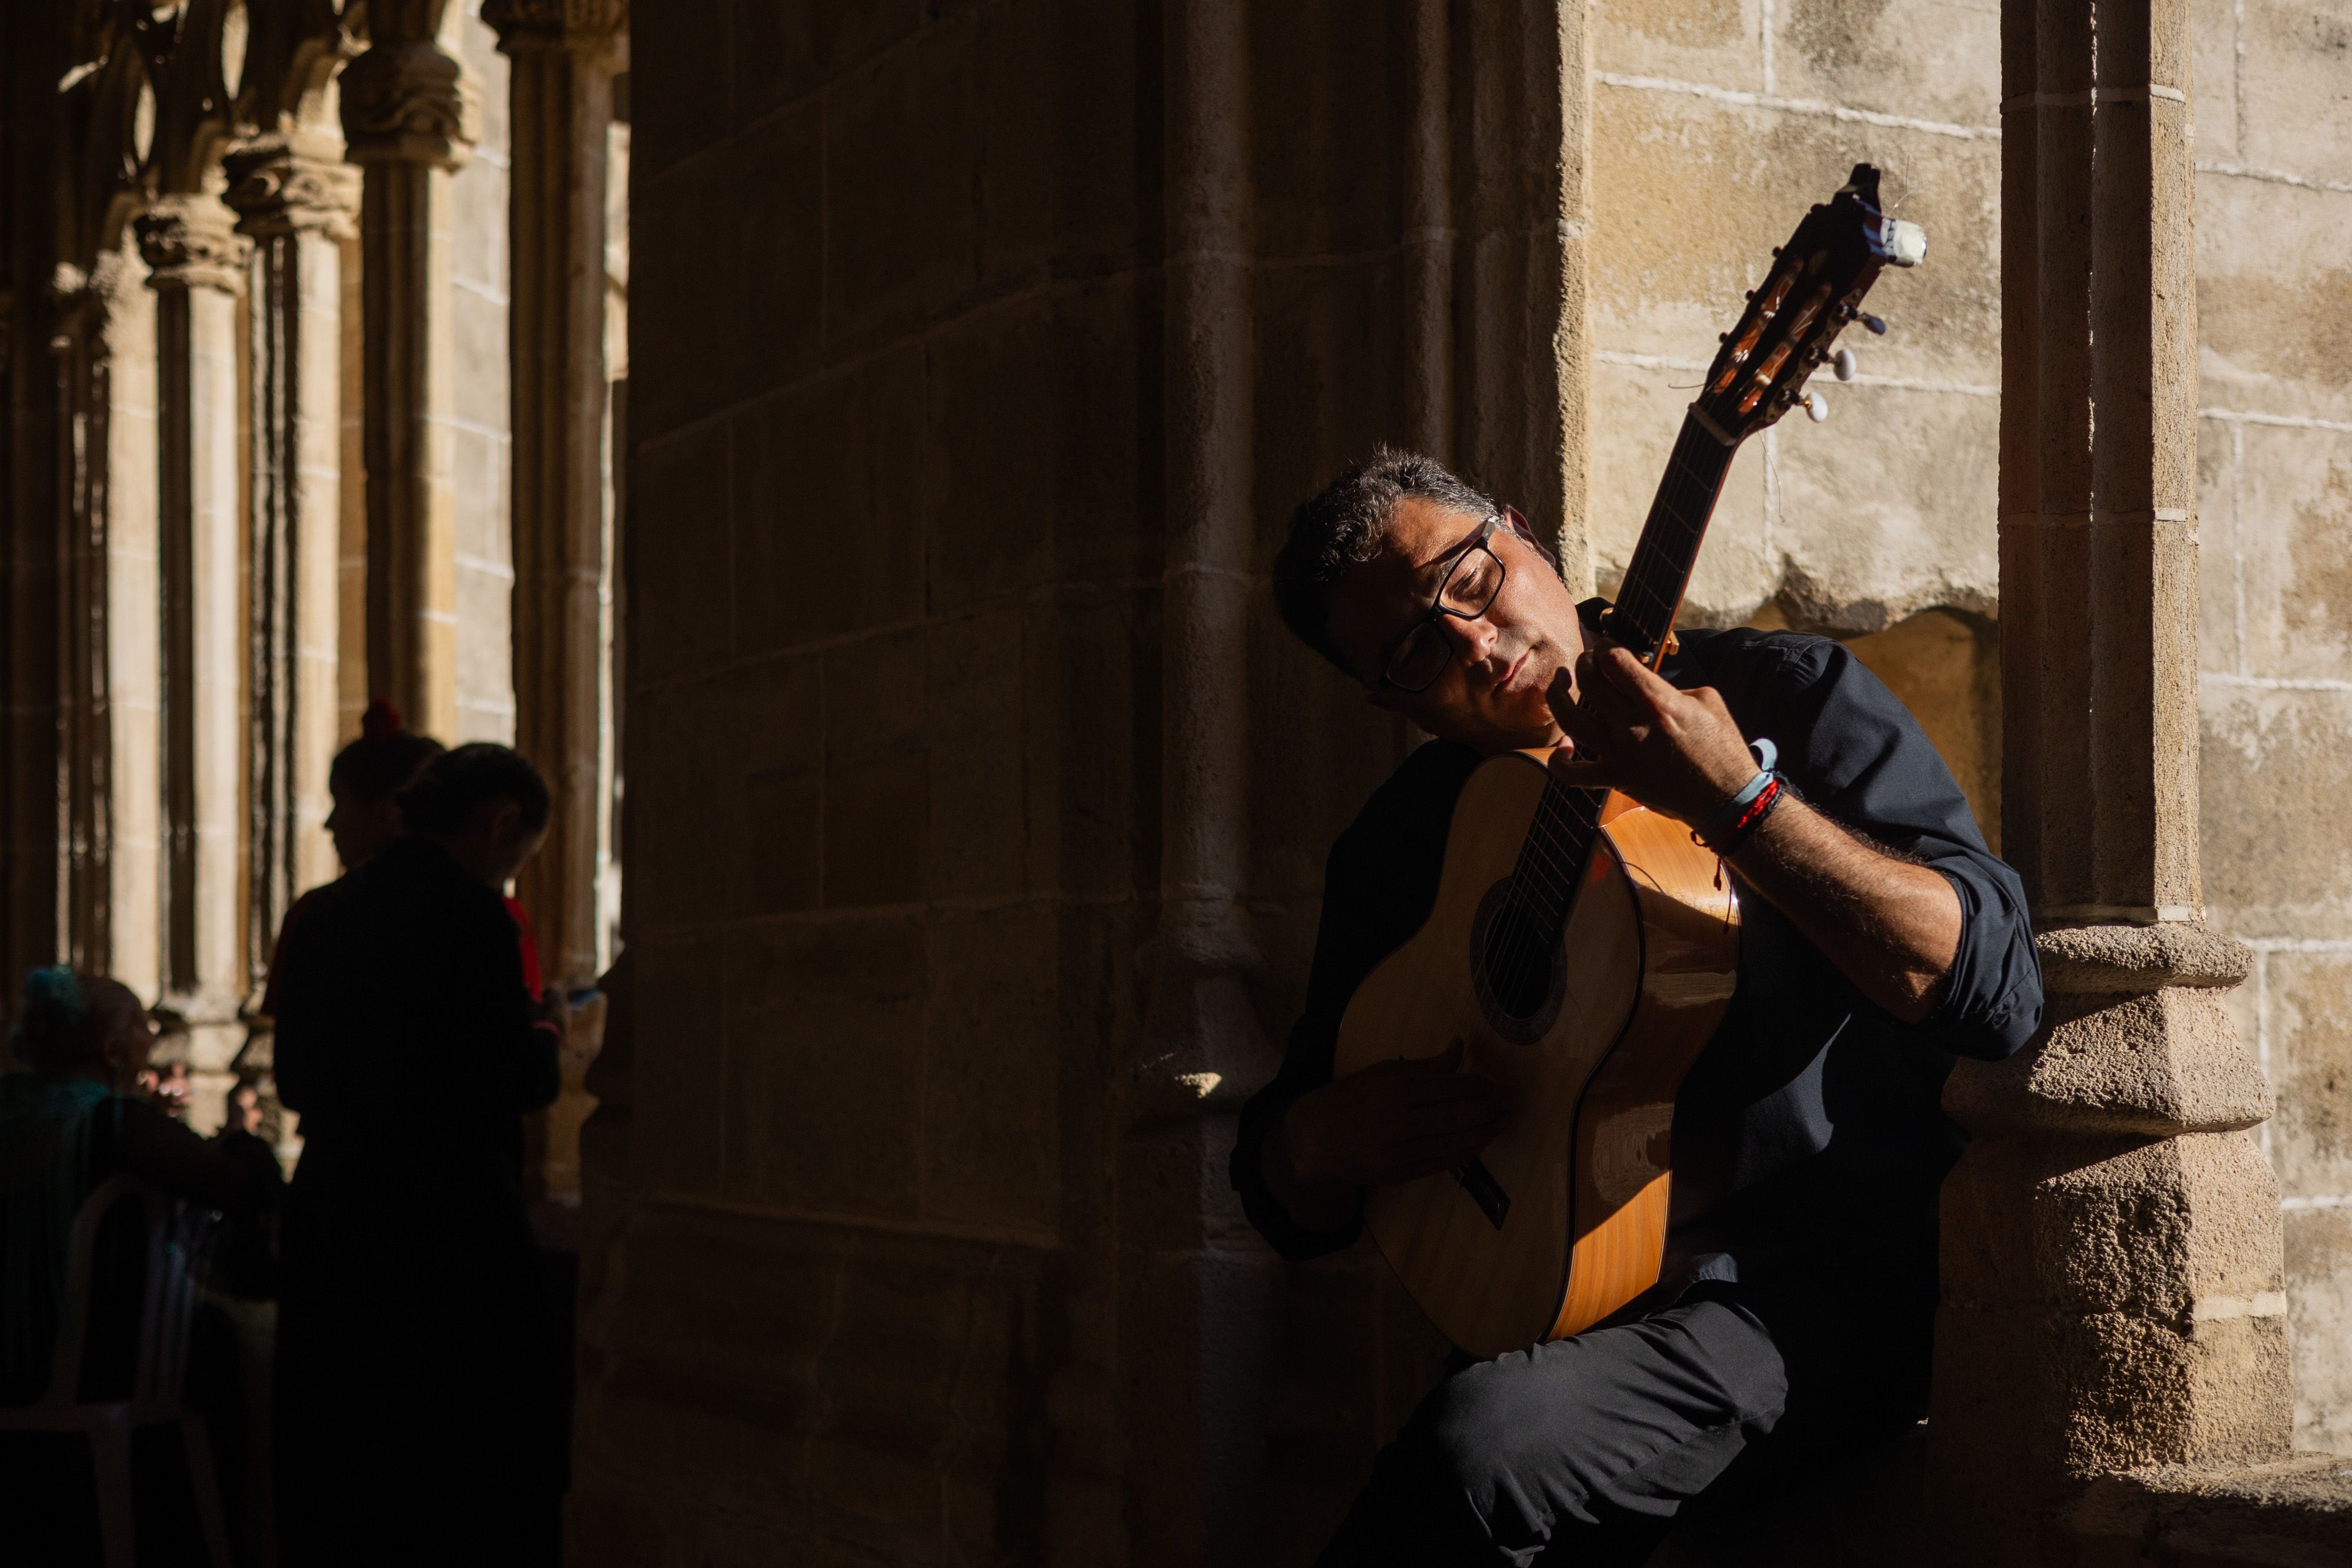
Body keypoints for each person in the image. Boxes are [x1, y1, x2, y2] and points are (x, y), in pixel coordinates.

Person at [1231, 450, 2044, 1564]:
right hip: (1563, 1306)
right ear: (1388, 699)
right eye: (1419, 648)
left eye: (1471, 581)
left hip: (1812, 1289)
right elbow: (1282, 1186)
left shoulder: (1781, 698)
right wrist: (1321, 1138)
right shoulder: (1398, 847)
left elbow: (1996, 987)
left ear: (1525, 535)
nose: (1473, 638)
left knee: (1482, 1446)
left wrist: (1743, 803)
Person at [272, 743, 565, 1567]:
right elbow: (516, 1074)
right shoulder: (476, 917)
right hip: (450, 1218)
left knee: (346, 1449)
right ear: (498, 820)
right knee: (455, 1458)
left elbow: (295, 1076)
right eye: (518, 854)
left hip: (338, 1211)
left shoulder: (323, 913)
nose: (509, 873)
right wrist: (546, 1026)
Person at [0, 968, 282, 1560]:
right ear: (111, 1049)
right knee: (232, 1344)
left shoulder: (16, 1109)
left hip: (16, 1354)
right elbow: (235, 1186)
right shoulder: (107, 1123)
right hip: (72, 1360)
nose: (150, 1040)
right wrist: (243, 1142)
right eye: (141, 1027)